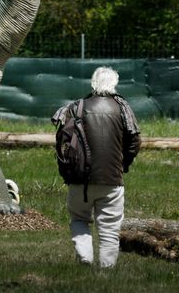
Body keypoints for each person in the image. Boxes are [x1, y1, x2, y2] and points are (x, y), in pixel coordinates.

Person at [53, 66, 141, 269]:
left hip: (79, 180)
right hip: (112, 180)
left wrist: (67, 170)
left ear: (93, 83)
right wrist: (123, 164)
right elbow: (135, 142)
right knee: (109, 228)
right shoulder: (123, 108)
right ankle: (106, 270)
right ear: (114, 84)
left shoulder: (76, 107)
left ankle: (85, 256)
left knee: (79, 219)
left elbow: (61, 141)